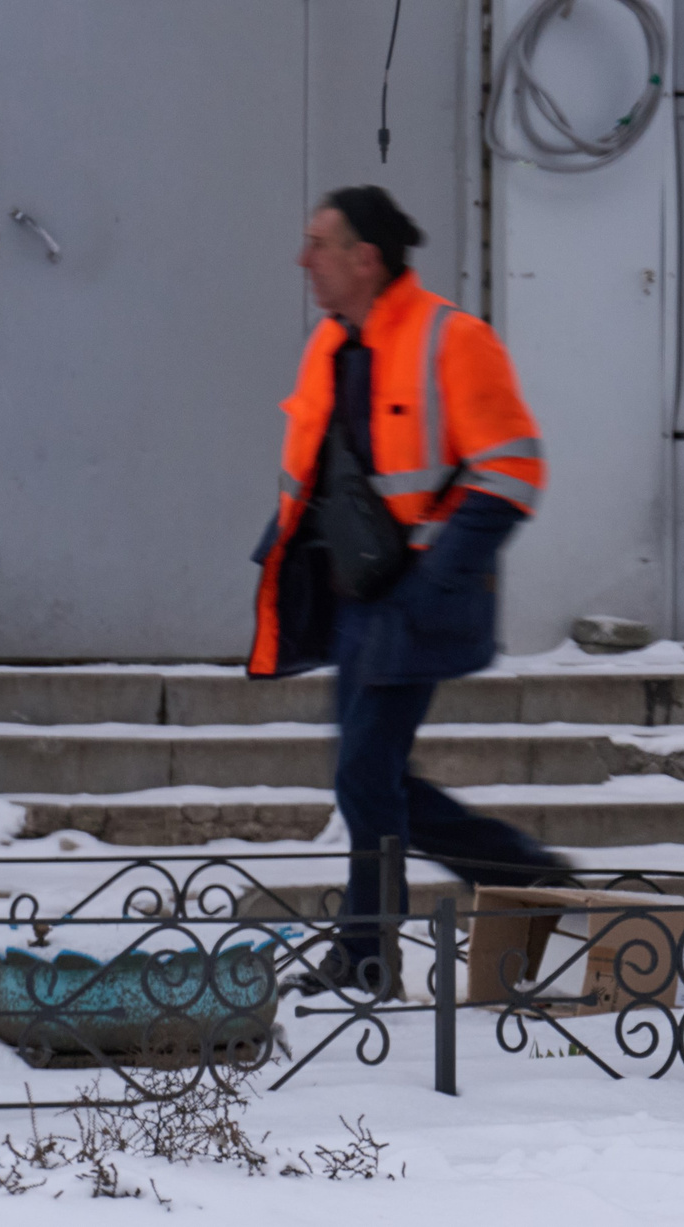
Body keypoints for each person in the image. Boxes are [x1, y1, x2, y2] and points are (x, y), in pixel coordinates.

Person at [252, 186, 568, 994]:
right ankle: (520, 872)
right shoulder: (331, 342)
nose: (302, 260)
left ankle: (367, 955)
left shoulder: (452, 339)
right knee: (372, 775)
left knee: (363, 773)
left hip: (415, 596)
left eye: (318, 243)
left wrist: (436, 575)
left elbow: (512, 469)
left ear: (366, 258)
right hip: (359, 597)